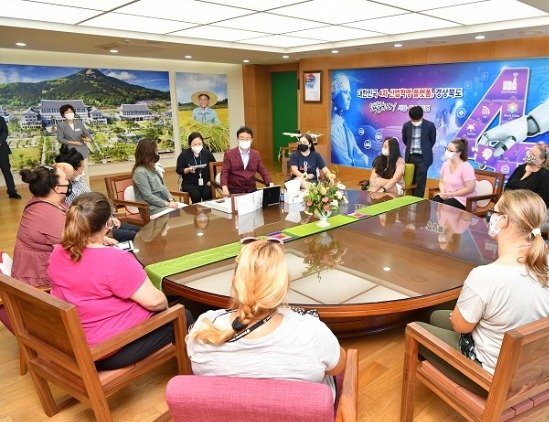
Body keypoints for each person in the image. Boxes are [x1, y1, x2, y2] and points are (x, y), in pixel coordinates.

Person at [418, 190, 549, 383]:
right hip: (528, 364)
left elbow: (460, 326)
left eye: (495, 211)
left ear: (504, 220)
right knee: (436, 316)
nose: (491, 217)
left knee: (416, 328)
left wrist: (465, 315)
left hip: (490, 374)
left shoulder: (486, 275)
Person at [47, 192, 193, 370]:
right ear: (107, 224)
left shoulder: (58, 251)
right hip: (105, 350)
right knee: (184, 314)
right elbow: (157, 302)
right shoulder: (115, 260)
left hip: (72, 339)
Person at [186, 239, 346, 400]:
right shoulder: (311, 332)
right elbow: (338, 367)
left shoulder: (204, 327)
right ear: (284, 286)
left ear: (234, 282)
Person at [56, 145, 139, 242]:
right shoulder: (68, 191)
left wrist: (110, 217)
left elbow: (96, 203)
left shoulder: (79, 181)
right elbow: (86, 214)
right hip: (94, 227)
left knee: (137, 230)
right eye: (82, 168)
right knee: (135, 235)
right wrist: (107, 221)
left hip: (103, 220)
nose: (83, 172)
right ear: (73, 170)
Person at [11, 165, 71, 288]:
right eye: (66, 179)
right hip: (39, 282)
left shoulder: (49, 201)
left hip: (41, 269)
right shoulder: (48, 215)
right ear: (57, 188)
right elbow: (73, 246)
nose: (69, 182)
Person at [220, 126, 273, 197]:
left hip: (251, 190)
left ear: (251, 140)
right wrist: (224, 187)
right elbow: (224, 172)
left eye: (247, 139)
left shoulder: (256, 154)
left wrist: (270, 183)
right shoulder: (229, 154)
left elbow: (262, 170)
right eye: (242, 138)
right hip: (235, 190)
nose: (244, 141)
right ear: (237, 139)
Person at [133, 139, 180, 217]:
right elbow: (148, 196)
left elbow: (163, 187)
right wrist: (167, 204)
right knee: (179, 216)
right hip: (152, 209)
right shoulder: (139, 173)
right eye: (156, 151)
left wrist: (170, 199)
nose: (157, 153)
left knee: (186, 210)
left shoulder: (153, 168)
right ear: (148, 153)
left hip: (164, 205)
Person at [330, 73, 368, 167]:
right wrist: (359, 161)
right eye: (345, 92)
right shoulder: (333, 127)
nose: (349, 97)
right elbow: (345, 162)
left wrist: (359, 160)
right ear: (335, 94)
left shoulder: (343, 124)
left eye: (349, 93)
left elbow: (361, 156)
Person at [504, 142, 549, 207]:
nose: (528, 155)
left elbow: (543, 201)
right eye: (530, 152)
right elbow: (507, 187)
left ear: (542, 160)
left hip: (526, 210)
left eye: (533, 154)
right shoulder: (521, 168)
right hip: (508, 205)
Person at [430, 138, 475, 209]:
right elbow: (441, 181)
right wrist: (442, 191)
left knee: (446, 205)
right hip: (447, 195)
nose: (447, 152)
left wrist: (452, 194)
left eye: (450, 151)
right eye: (447, 149)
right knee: (431, 203)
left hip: (463, 199)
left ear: (459, 153)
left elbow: (469, 188)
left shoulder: (466, 167)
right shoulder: (445, 164)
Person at [402, 105, 437, 198]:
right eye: (413, 120)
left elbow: (432, 140)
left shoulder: (429, 125)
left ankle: (417, 203)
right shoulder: (406, 125)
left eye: (417, 119)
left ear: (421, 116)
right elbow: (405, 140)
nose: (415, 121)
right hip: (410, 157)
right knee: (410, 181)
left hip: (423, 158)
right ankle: (408, 201)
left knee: (420, 184)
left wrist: (425, 149)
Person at [56, 104, 93, 187]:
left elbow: (87, 134)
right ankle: (74, 191)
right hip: (71, 154)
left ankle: (87, 190)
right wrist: (73, 143)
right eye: (67, 112)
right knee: (72, 174)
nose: (69, 113)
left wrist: (89, 139)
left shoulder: (79, 123)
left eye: (71, 111)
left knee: (85, 173)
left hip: (82, 152)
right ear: (63, 114)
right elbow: (60, 139)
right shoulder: (61, 125)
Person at [176, 132, 215, 203]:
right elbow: (179, 170)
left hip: (205, 182)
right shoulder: (184, 155)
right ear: (190, 144)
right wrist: (188, 169)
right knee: (196, 195)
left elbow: (213, 167)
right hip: (190, 184)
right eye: (194, 144)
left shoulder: (207, 154)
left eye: (199, 144)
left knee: (207, 194)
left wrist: (211, 180)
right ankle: (196, 210)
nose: (197, 146)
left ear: (202, 143)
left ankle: (208, 209)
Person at [0, 116, 20, 199]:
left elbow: (5, 132)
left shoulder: (1, 119)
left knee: (7, 172)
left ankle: (12, 192)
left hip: (2, 150)